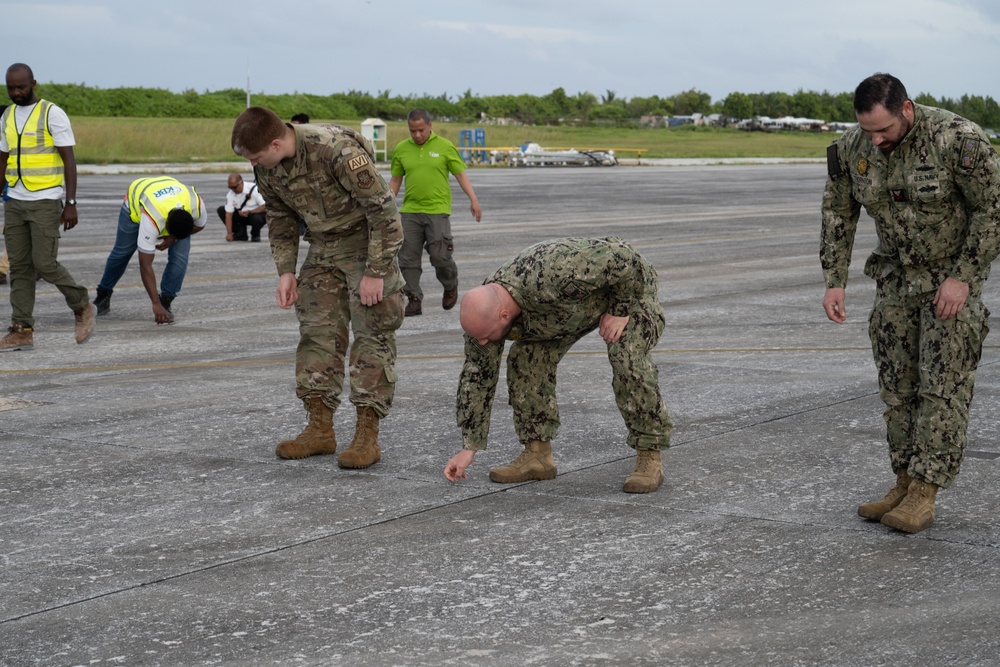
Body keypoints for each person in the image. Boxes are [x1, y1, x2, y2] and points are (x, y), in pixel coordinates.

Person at [821, 73, 1000, 534]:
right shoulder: (854, 148)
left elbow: (993, 209)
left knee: (942, 388)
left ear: (907, 109)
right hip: (896, 281)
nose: (876, 140)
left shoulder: (956, 139)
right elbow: (838, 211)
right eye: (868, 131)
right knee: (897, 386)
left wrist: (963, 278)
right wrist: (834, 280)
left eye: (884, 130)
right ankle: (902, 480)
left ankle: (925, 491)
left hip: (949, 280)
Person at [230, 106, 405, 469]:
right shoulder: (266, 165)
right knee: (316, 334)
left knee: (372, 335)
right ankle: (320, 429)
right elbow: (279, 216)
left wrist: (376, 271)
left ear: (276, 143)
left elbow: (384, 211)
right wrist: (285, 270)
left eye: (258, 156)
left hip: (366, 246)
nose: (256, 165)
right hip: (323, 248)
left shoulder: (336, 151)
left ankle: (366, 436)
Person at [443, 237, 674, 494]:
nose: (482, 341)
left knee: (626, 356)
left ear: (504, 315)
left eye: (486, 335)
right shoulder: (482, 319)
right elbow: (477, 376)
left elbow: (623, 258)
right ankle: (537, 455)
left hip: (627, 291)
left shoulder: (554, 269)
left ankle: (649, 456)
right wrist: (469, 446)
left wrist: (620, 310)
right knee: (526, 358)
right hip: (562, 315)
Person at [0, 63, 93, 352]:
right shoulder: (7, 115)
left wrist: (71, 203)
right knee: (19, 268)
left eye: (21, 87)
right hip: (15, 200)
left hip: (45, 200)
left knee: (44, 263)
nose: (16, 92)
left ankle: (82, 306)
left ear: (33, 84)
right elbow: (3, 158)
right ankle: (21, 330)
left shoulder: (52, 113)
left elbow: (69, 160)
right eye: (11, 88)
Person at [390, 108, 482, 317]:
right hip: (410, 212)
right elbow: (395, 180)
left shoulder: (445, 147)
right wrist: (386, 206)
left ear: (430, 126)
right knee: (407, 259)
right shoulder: (402, 149)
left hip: (437, 211)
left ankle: (450, 284)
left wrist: (473, 200)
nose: (417, 135)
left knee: (440, 256)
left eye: (421, 130)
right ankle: (414, 299)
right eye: (412, 131)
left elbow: (461, 175)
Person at [92, 176, 207, 323]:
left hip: (168, 193)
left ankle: (166, 301)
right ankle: (103, 295)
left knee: (180, 258)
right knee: (122, 253)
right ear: (164, 226)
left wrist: (174, 238)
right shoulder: (152, 219)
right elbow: (145, 265)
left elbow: (200, 225)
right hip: (138, 199)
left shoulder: (196, 205)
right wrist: (155, 304)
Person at [217, 172, 267, 242]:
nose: (233, 190)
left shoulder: (254, 189)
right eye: (230, 187)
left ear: (241, 183)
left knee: (257, 218)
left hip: (255, 214)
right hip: (241, 215)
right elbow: (229, 214)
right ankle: (240, 232)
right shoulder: (230, 194)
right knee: (222, 210)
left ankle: (255, 234)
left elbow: (265, 206)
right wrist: (229, 234)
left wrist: (250, 212)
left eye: (234, 187)